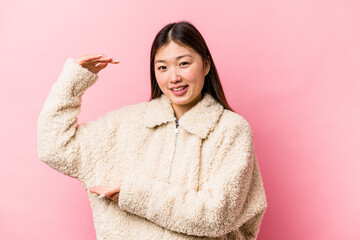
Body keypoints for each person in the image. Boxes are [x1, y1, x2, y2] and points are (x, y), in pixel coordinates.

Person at [37, 21, 268, 239]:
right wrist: (74, 82)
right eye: (162, 67)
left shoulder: (231, 131)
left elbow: (217, 215)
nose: (174, 77)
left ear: (205, 65)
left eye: (184, 63)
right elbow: (54, 147)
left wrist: (134, 194)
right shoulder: (127, 124)